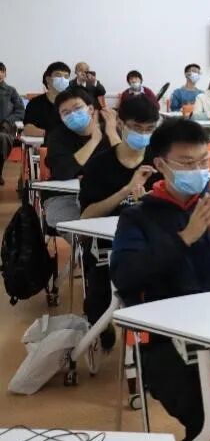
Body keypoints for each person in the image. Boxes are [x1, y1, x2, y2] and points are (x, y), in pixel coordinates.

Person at [109, 118, 210, 441]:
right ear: (161, 165)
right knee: (208, 419)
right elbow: (125, 276)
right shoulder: (138, 217)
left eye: (203, 162)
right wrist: (184, 238)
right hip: (172, 339)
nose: (198, 171)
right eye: (186, 164)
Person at [78, 97, 159, 348]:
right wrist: (126, 190)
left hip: (151, 241)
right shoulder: (100, 164)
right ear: (121, 124)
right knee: (101, 296)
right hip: (107, 245)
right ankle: (102, 323)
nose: (143, 134)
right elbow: (86, 216)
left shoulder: (160, 161)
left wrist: (149, 203)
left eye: (149, 129)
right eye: (137, 127)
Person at [43, 88, 118, 227]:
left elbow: (125, 166)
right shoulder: (57, 137)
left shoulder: (110, 130)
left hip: (107, 195)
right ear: (61, 117)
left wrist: (113, 133)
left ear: (90, 109)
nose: (73, 115)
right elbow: (63, 172)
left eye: (77, 108)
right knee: (79, 227)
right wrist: (93, 141)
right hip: (65, 196)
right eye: (66, 113)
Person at [23, 61, 72, 137]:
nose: (63, 79)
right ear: (48, 79)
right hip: (42, 142)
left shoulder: (73, 103)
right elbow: (27, 129)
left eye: (66, 77)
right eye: (58, 75)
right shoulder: (35, 103)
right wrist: (52, 135)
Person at [0, 62, 25, 185]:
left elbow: (20, 111)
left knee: (2, 138)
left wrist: (7, 121)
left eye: (1, 71)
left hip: (5, 127)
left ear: (5, 74)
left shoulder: (10, 91)